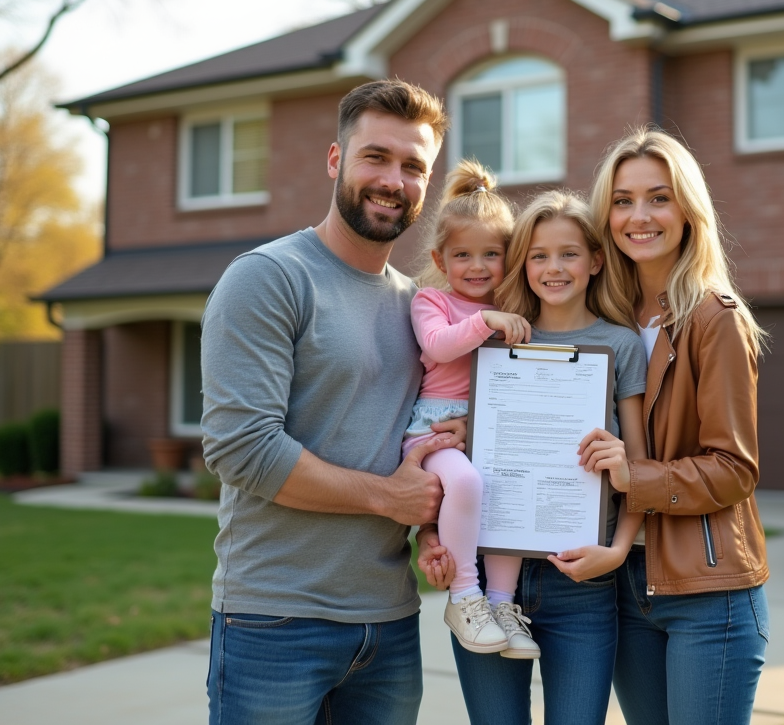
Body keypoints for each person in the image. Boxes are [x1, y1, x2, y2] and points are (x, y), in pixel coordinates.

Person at [200, 79, 462, 725]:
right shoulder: (270, 278)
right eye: (376, 156)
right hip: (275, 620)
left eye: (413, 166)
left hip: (391, 624)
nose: (393, 180)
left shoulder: (420, 308)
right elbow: (242, 450)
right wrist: (387, 496)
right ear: (336, 160)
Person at [419, 190, 648, 724]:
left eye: (569, 253)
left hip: (581, 581)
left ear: (595, 261)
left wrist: (617, 550)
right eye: (539, 254)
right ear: (522, 263)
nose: (553, 267)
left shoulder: (621, 345)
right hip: (488, 575)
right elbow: (441, 451)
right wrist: (429, 535)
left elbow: (639, 462)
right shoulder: (490, 336)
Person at [588, 127, 771, 725]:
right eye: (622, 201)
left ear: (688, 211)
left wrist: (630, 476)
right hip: (623, 585)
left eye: (658, 197)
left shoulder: (714, 319)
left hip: (708, 591)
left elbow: (734, 469)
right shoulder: (603, 321)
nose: (639, 216)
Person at [403, 159, 541, 658]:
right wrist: (487, 319)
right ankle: (464, 594)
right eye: (463, 255)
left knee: (506, 498)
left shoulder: (515, 310)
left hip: (492, 429)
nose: (478, 266)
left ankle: (502, 604)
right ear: (441, 261)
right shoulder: (431, 301)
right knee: (464, 483)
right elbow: (439, 347)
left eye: (492, 254)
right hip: (435, 430)